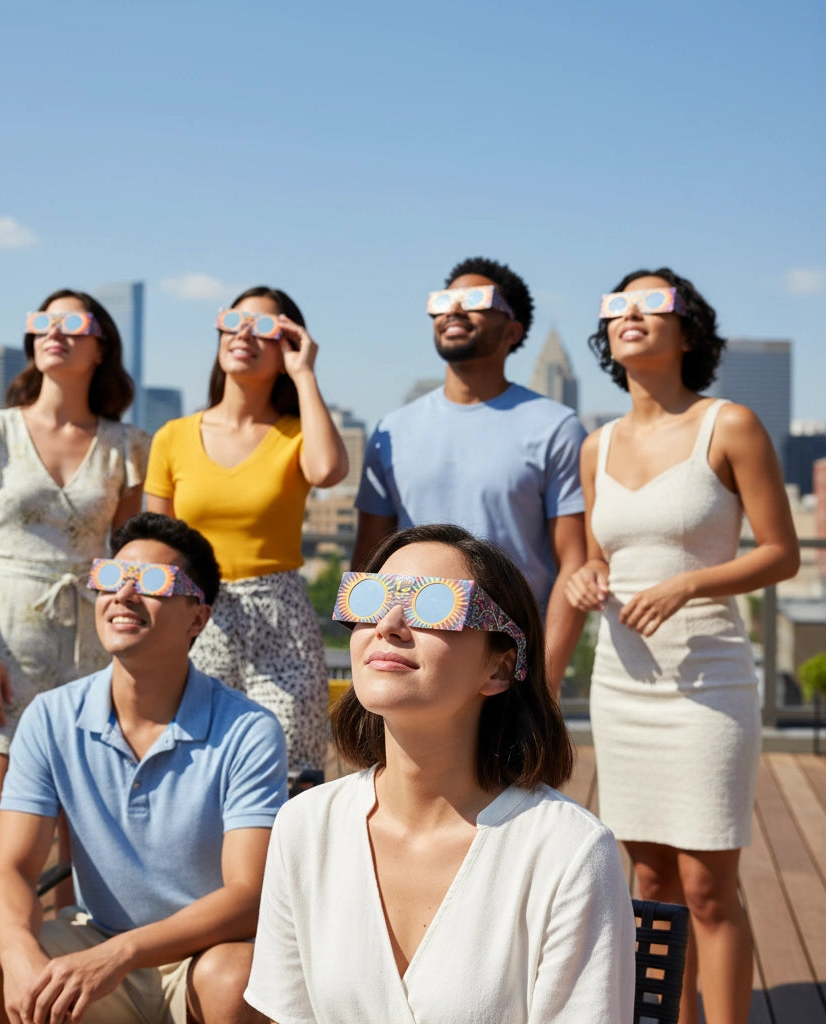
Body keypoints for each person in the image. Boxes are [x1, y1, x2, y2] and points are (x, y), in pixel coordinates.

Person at [245, 523, 635, 1023]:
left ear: (498, 668)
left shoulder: (568, 853)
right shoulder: (305, 825)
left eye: (435, 604)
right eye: (369, 598)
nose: (388, 623)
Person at [565, 269, 800, 1024]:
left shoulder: (728, 424)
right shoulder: (595, 445)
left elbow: (782, 553)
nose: (629, 316)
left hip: (708, 681)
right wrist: (587, 579)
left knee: (706, 886)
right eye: (617, 308)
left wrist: (690, 587)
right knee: (651, 883)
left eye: (650, 305)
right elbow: (601, 554)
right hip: (623, 680)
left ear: (688, 330)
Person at [0, 512, 287, 1024]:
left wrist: (120, 954)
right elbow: (11, 869)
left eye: (152, 582)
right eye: (109, 578)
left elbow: (248, 896)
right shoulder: (51, 715)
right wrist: (20, 958)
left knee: (235, 982)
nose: (122, 595)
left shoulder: (249, 729)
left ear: (198, 618)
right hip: (93, 939)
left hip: (202, 954)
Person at [0, 288, 150, 882]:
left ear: (100, 345)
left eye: (71, 323)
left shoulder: (126, 447)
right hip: (7, 644)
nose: (53, 332)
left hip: (93, 642)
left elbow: (127, 555)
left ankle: (65, 955)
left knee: (78, 821)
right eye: (43, 322)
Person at [352, 257, 588, 695]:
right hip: (412, 654)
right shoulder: (391, 430)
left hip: (509, 661)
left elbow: (573, 563)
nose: (454, 311)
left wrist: (544, 681)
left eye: (475, 301)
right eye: (443, 301)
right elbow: (369, 558)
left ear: (512, 330)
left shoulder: (556, 428)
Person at [145, 286, 348, 781]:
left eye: (265, 328)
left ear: (288, 346)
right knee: (194, 770)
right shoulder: (172, 437)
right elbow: (155, 549)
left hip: (281, 617)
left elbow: (327, 470)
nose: (243, 333)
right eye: (234, 320)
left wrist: (304, 374)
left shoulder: (297, 433)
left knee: (292, 773)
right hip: (195, 614)